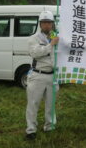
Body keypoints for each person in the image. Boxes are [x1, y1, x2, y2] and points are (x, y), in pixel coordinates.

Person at [25, 10, 60, 140]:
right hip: (37, 75)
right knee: (33, 103)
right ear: (40, 24)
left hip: (53, 75)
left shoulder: (56, 37)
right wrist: (51, 45)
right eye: (44, 22)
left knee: (51, 104)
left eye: (49, 22)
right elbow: (35, 53)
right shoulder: (33, 39)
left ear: (52, 24)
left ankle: (50, 126)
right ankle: (31, 129)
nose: (47, 25)